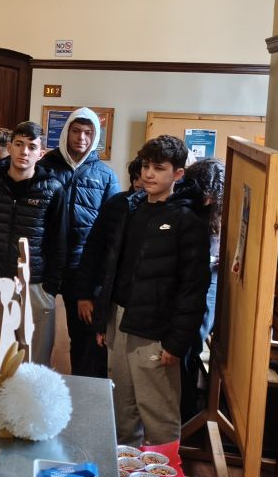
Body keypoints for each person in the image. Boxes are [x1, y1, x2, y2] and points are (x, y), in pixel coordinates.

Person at [75, 136, 210, 446]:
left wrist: (176, 343)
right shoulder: (131, 209)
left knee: (158, 416)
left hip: (156, 330)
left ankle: (164, 475)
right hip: (119, 319)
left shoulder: (188, 220)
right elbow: (113, 269)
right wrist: (103, 321)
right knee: (122, 412)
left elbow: (193, 288)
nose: (149, 174)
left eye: (159, 168)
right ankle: (126, 472)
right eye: (146, 166)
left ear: (178, 174)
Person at [0, 121, 65, 367]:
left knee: (32, 360)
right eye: (19, 144)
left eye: (32, 147)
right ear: (9, 147)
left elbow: (59, 241)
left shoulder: (53, 189)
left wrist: (50, 287)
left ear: (41, 153)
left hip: (33, 284)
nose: (24, 152)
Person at [38, 108, 120, 378]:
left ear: (95, 136)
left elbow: (111, 230)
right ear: (66, 132)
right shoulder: (45, 167)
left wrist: (96, 279)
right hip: (46, 264)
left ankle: (83, 394)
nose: (81, 138)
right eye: (76, 131)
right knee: (35, 335)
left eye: (88, 133)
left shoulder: (106, 175)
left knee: (85, 340)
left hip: (82, 267)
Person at [180, 157, 224, 421]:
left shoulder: (223, 212)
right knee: (185, 343)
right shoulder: (187, 205)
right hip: (185, 278)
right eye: (204, 194)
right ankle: (184, 406)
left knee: (194, 339)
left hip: (211, 280)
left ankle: (187, 410)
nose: (207, 200)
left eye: (213, 196)